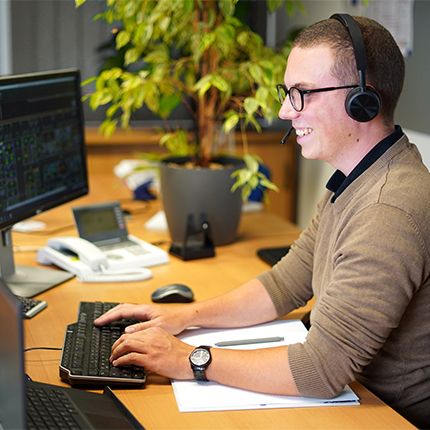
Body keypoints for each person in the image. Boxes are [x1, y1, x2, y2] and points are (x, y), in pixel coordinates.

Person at [95, 14, 430, 428]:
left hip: (386, 415)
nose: (285, 111)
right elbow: (285, 283)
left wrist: (191, 359)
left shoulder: (387, 209)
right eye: (287, 92)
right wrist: (189, 316)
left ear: (363, 100)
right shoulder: (357, 178)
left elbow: (321, 370)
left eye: (302, 93)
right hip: (352, 395)